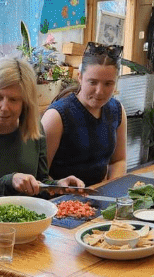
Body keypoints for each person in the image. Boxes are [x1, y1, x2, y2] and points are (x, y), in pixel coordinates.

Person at [0, 57, 84, 195]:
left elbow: (39, 182)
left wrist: (58, 186)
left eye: (13, 100)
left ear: (25, 103)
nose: (4, 107)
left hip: (27, 213)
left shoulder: (35, 130)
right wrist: (10, 181)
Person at [41, 41, 127, 186]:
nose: (100, 91)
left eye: (108, 84)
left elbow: (119, 160)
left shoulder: (117, 110)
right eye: (93, 82)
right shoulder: (56, 116)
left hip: (100, 195)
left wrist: (110, 190)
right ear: (80, 77)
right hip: (61, 198)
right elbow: (40, 175)